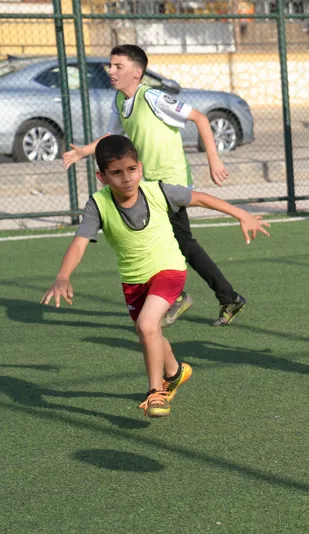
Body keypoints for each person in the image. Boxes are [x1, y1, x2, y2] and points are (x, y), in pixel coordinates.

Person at [43, 135, 269, 418]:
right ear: (101, 176)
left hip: (169, 269)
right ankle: (174, 372)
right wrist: (63, 275)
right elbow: (79, 243)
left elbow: (199, 198)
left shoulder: (158, 191)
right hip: (133, 281)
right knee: (145, 332)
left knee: (148, 325)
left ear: (140, 167)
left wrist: (241, 214)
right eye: (116, 172)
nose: (126, 178)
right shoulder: (97, 205)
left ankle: (156, 392)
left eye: (132, 170)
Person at [62, 44, 247, 327]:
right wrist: (82, 152)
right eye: (110, 66)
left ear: (137, 73)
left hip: (170, 183)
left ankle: (207, 297)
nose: (110, 71)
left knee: (181, 244)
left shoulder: (153, 97)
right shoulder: (119, 101)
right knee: (167, 242)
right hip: (147, 184)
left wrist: (214, 160)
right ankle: (206, 296)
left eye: (117, 66)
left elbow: (199, 117)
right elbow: (112, 140)